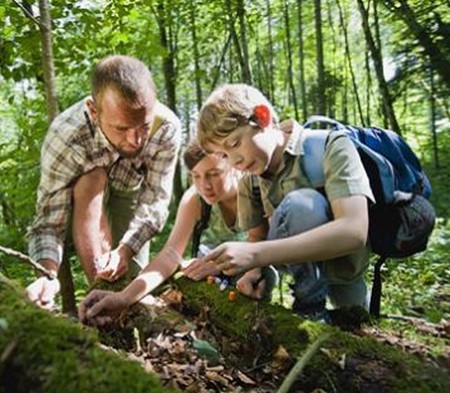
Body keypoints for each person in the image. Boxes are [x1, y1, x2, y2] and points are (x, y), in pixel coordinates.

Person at [196, 83, 374, 318]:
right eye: (224, 156)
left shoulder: (331, 146)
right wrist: (253, 270)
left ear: (263, 117)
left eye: (235, 144)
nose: (235, 161)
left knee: (360, 322)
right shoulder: (249, 181)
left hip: (344, 270)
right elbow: (256, 237)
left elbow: (354, 230)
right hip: (301, 278)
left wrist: (256, 255)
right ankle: (309, 309)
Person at [26, 55, 182, 310]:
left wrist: (126, 250)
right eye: (121, 128)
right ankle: (96, 296)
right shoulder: (65, 136)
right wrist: (47, 275)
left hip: (129, 191)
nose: (135, 140)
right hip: (80, 200)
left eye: (143, 125)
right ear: (93, 111)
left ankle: (128, 328)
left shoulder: (167, 128)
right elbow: (48, 222)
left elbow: (155, 201)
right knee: (91, 177)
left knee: (131, 282)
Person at [79, 139, 274, 325]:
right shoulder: (194, 200)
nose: (205, 185)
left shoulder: (256, 190)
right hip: (212, 286)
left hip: (253, 277)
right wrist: (124, 298)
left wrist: (220, 265)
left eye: (214, 174)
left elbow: (267, 244)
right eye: (196, 176)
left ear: (233, 165)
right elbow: (170, 255)